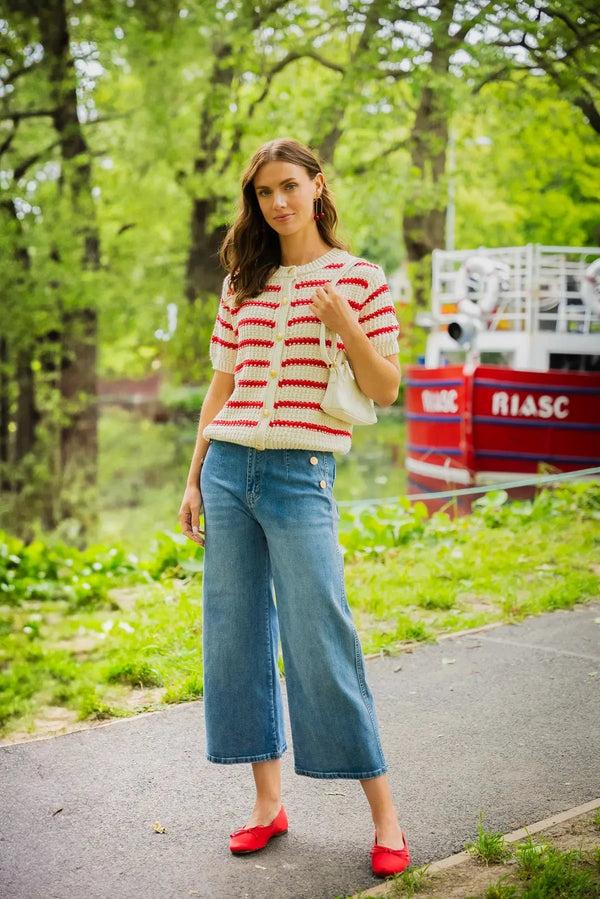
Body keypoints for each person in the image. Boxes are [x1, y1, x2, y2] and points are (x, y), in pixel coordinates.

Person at [178, 137, 411, 878]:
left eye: (288, 186)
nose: (277, 203)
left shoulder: (361, 278)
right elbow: (221, 387)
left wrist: (344, 323)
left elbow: (385, 389)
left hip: (301, 473)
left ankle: (385, 815)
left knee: (322, 638)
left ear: (316, 185)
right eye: (263, 193)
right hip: (228, 469)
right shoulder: (243, 280)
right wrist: (193, 478)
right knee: (235, 637)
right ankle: (266, 804)